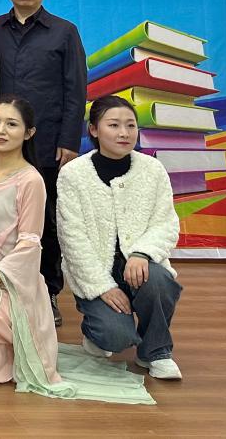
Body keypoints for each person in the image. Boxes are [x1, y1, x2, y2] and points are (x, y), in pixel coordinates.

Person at [0, 96, 152, 406]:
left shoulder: (31, 180)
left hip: (15, 291)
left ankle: (8, 357)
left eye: (11, 124)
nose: (1, 130)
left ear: (28, 133)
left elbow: (28, 249)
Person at [0, 0, 88, 325]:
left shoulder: (64, 32)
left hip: (46, 142)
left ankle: (47, 290)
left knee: (44, 220)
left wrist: (69, 139)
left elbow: (75, 90)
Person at [58, 96, 183, 381]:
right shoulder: (73, 174)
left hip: (139, 267)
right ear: (94, 129)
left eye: (130, 125)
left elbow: (166, 223)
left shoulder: (152, 169)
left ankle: (156, 352)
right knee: (114, 337)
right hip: (97, 271)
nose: (124, 133)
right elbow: (72, 239)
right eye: (113, 125)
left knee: (159, 280)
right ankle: (96, 332)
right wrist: (103, 287)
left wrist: (142, 253)